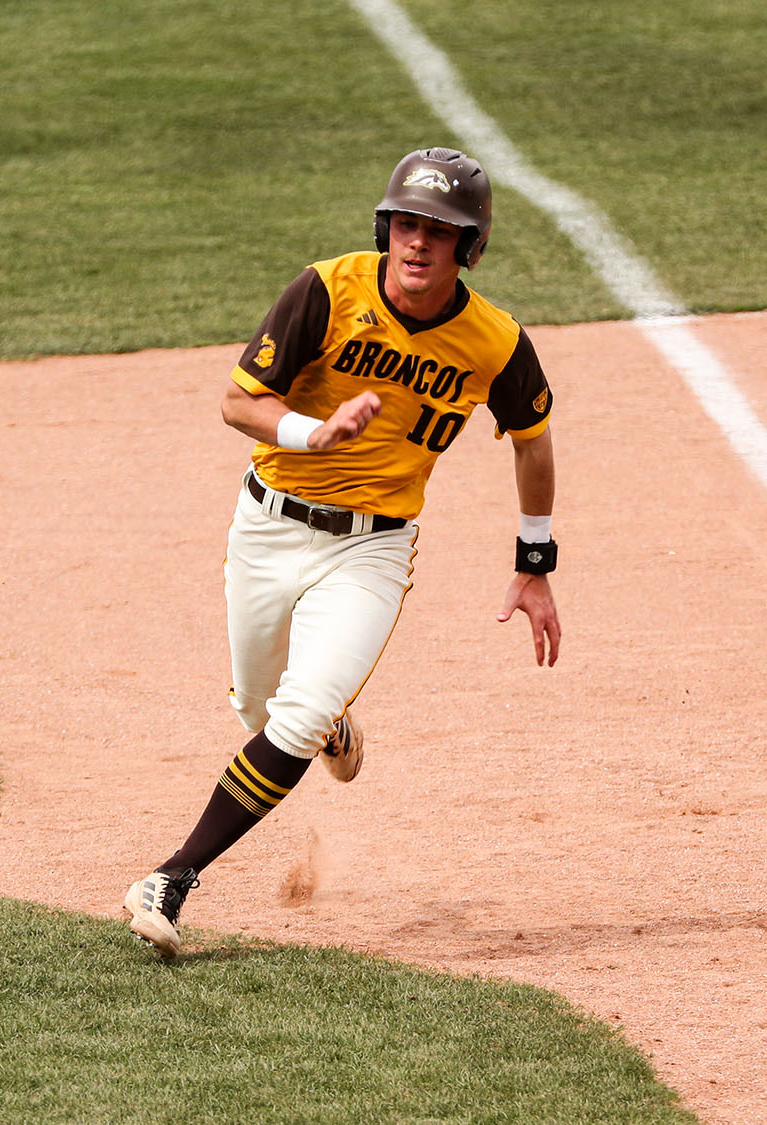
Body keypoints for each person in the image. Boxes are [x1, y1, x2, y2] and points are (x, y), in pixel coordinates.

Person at [122, 147, 562, 958]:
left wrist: (535, 563)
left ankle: (171, 877)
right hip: (268, 524)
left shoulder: (495, 342)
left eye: (440, 230)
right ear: (385, 227)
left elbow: (532, 442)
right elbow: (237, 401)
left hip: (372, 551)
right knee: (259, 711)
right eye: (406, 224)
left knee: (293, 715)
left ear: (470, 246)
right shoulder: (327, 290)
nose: (418, 243)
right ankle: (328, 725)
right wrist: (309, 432)